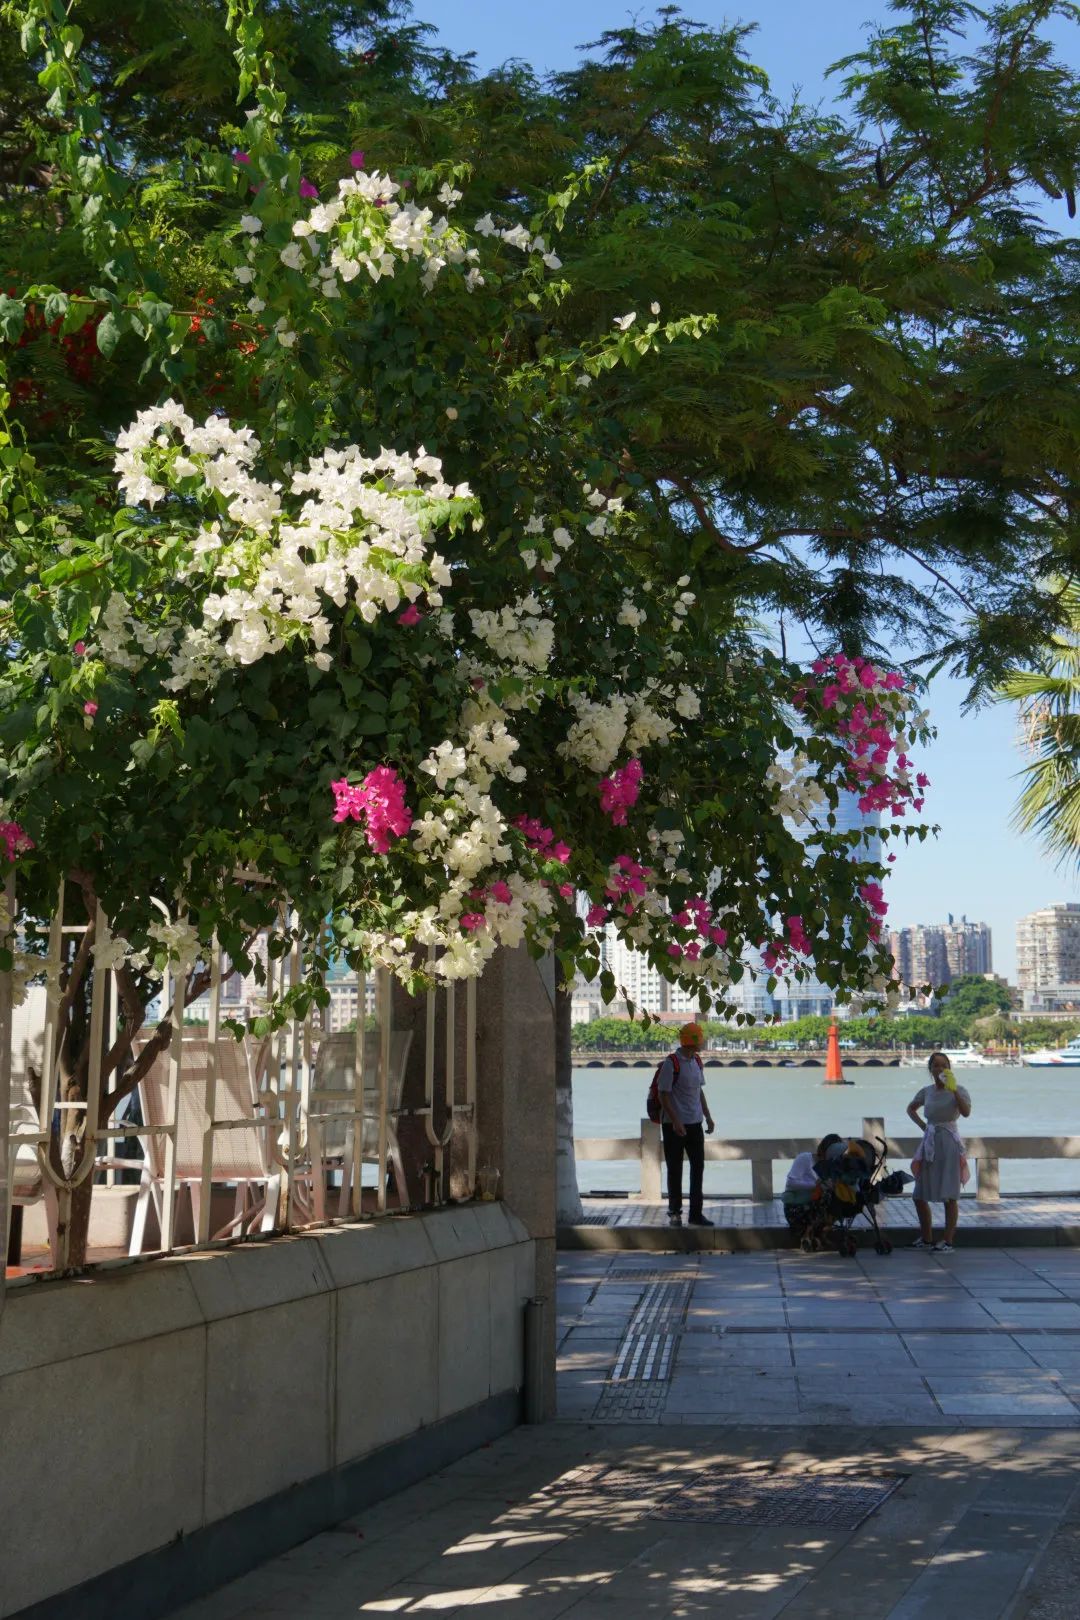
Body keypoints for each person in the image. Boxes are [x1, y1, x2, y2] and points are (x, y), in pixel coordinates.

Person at [906, 1050, 971, 1253]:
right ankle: (926, 1237)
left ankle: (948, 1240)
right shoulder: (926, 1091)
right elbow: (911, 1109)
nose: (940, 1069)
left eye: (944, 1065)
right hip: (930, 1141)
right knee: (919, 1194)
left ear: (949, 1068)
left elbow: (966, 1112)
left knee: (950, 1194)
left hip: (949, 1142)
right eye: (936, 1065)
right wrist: (924, 1127)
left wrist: (954, 1091)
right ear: (930, 1069)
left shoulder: (959, 1090)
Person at [657, 1022, 715, 1227]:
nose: (702, 1042)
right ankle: (675, 1212)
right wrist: (675, 1121)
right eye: (699, 1038)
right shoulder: (671, 1063)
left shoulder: (697, 1061)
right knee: (675, 1169)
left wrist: (708, 1116)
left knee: (698, 1168)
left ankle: (696, 1214)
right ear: (692, 1041)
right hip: (674, 1126)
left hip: (695, 1123)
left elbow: (699, 1091)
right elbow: (663, 1094)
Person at [782, 1134, 843, 1236]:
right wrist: (816, 1185)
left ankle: (821, 1229)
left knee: (838, 1196)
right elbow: (791, 1183)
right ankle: (810, 1231)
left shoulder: (831, 1166)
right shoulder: (805, 1158)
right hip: (797, 1209)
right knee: (826, 1196)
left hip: (815, 1208)